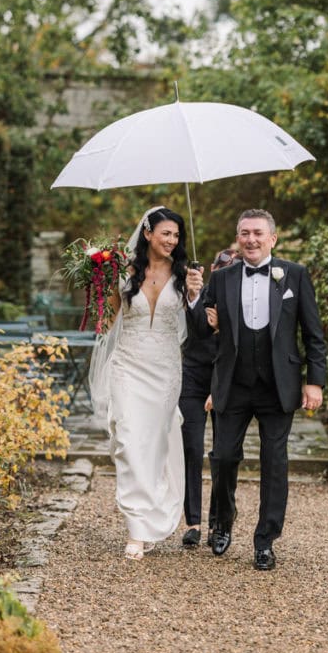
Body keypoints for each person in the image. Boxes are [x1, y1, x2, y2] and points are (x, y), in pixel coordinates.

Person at [199, 208, 326, 571]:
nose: (250, 239)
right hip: (232, 383)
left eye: (257, 233)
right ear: (237, 238)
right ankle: (222, 522)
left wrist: (314, 381)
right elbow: (201, 335)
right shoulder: (221, 279)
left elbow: (313, 334)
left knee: (275, 463)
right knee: (222, 456)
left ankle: (265, 540)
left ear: (273, 238)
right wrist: (200, 307)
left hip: (277, 386)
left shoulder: (295, 276)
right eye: (244, 233)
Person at [94, 205, 202, 561]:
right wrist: (97, 285)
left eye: (175, 235)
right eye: (165, 233)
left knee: (155, 445)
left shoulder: (186, 274)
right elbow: (105, 322)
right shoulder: (124, 272)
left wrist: (195, 294)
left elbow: (200, 325)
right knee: (128, 441)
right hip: (128, 365)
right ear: (147, 233)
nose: (171, 240)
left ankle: (155, 513)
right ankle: (136, 529)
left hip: (165, 369)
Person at [179, 247, 239, 549]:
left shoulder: (244, 295)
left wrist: (222, 326)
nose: (224, 270)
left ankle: (219, 521)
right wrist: (193, 296)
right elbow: (192, 328)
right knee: (191, 445)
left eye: (230, 266)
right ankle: (193, 521)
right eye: (220, 266)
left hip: (226, 378)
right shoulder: (199, 292)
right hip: (193, 375)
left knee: (222, 453)